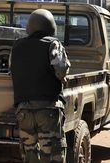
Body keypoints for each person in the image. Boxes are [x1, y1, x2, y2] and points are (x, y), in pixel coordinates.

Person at [10, 9, 71, 163]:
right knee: (53, 154)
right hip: (48, 109)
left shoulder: (16, 46)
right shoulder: (53, 44)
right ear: (50, 27)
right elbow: (61, 71)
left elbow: (12, 71)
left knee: (29, 154)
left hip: (23, 111)